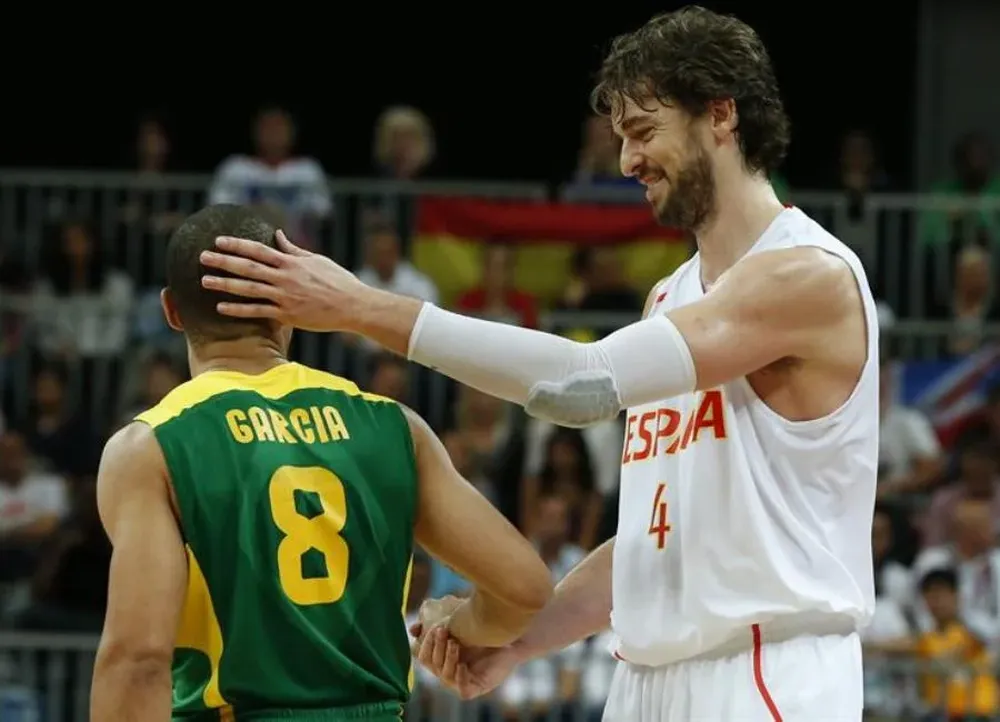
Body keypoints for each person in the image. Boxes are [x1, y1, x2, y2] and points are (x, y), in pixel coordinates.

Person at [199, 7, 879, 721]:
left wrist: (363, 307)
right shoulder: (668, 298)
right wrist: (522, 641)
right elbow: (655, 543)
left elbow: (580, 385)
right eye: (620, 139)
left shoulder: (807, 276)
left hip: (765, 671)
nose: (626, 162)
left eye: (643, 132)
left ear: (720, 115)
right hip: (647, 677)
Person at [89, 204, 553, 721]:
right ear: (289, 305)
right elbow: (525, 589)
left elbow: (138, 661)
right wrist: (457, 626)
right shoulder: (394, 425)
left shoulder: (152, 446)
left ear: (171, 311)